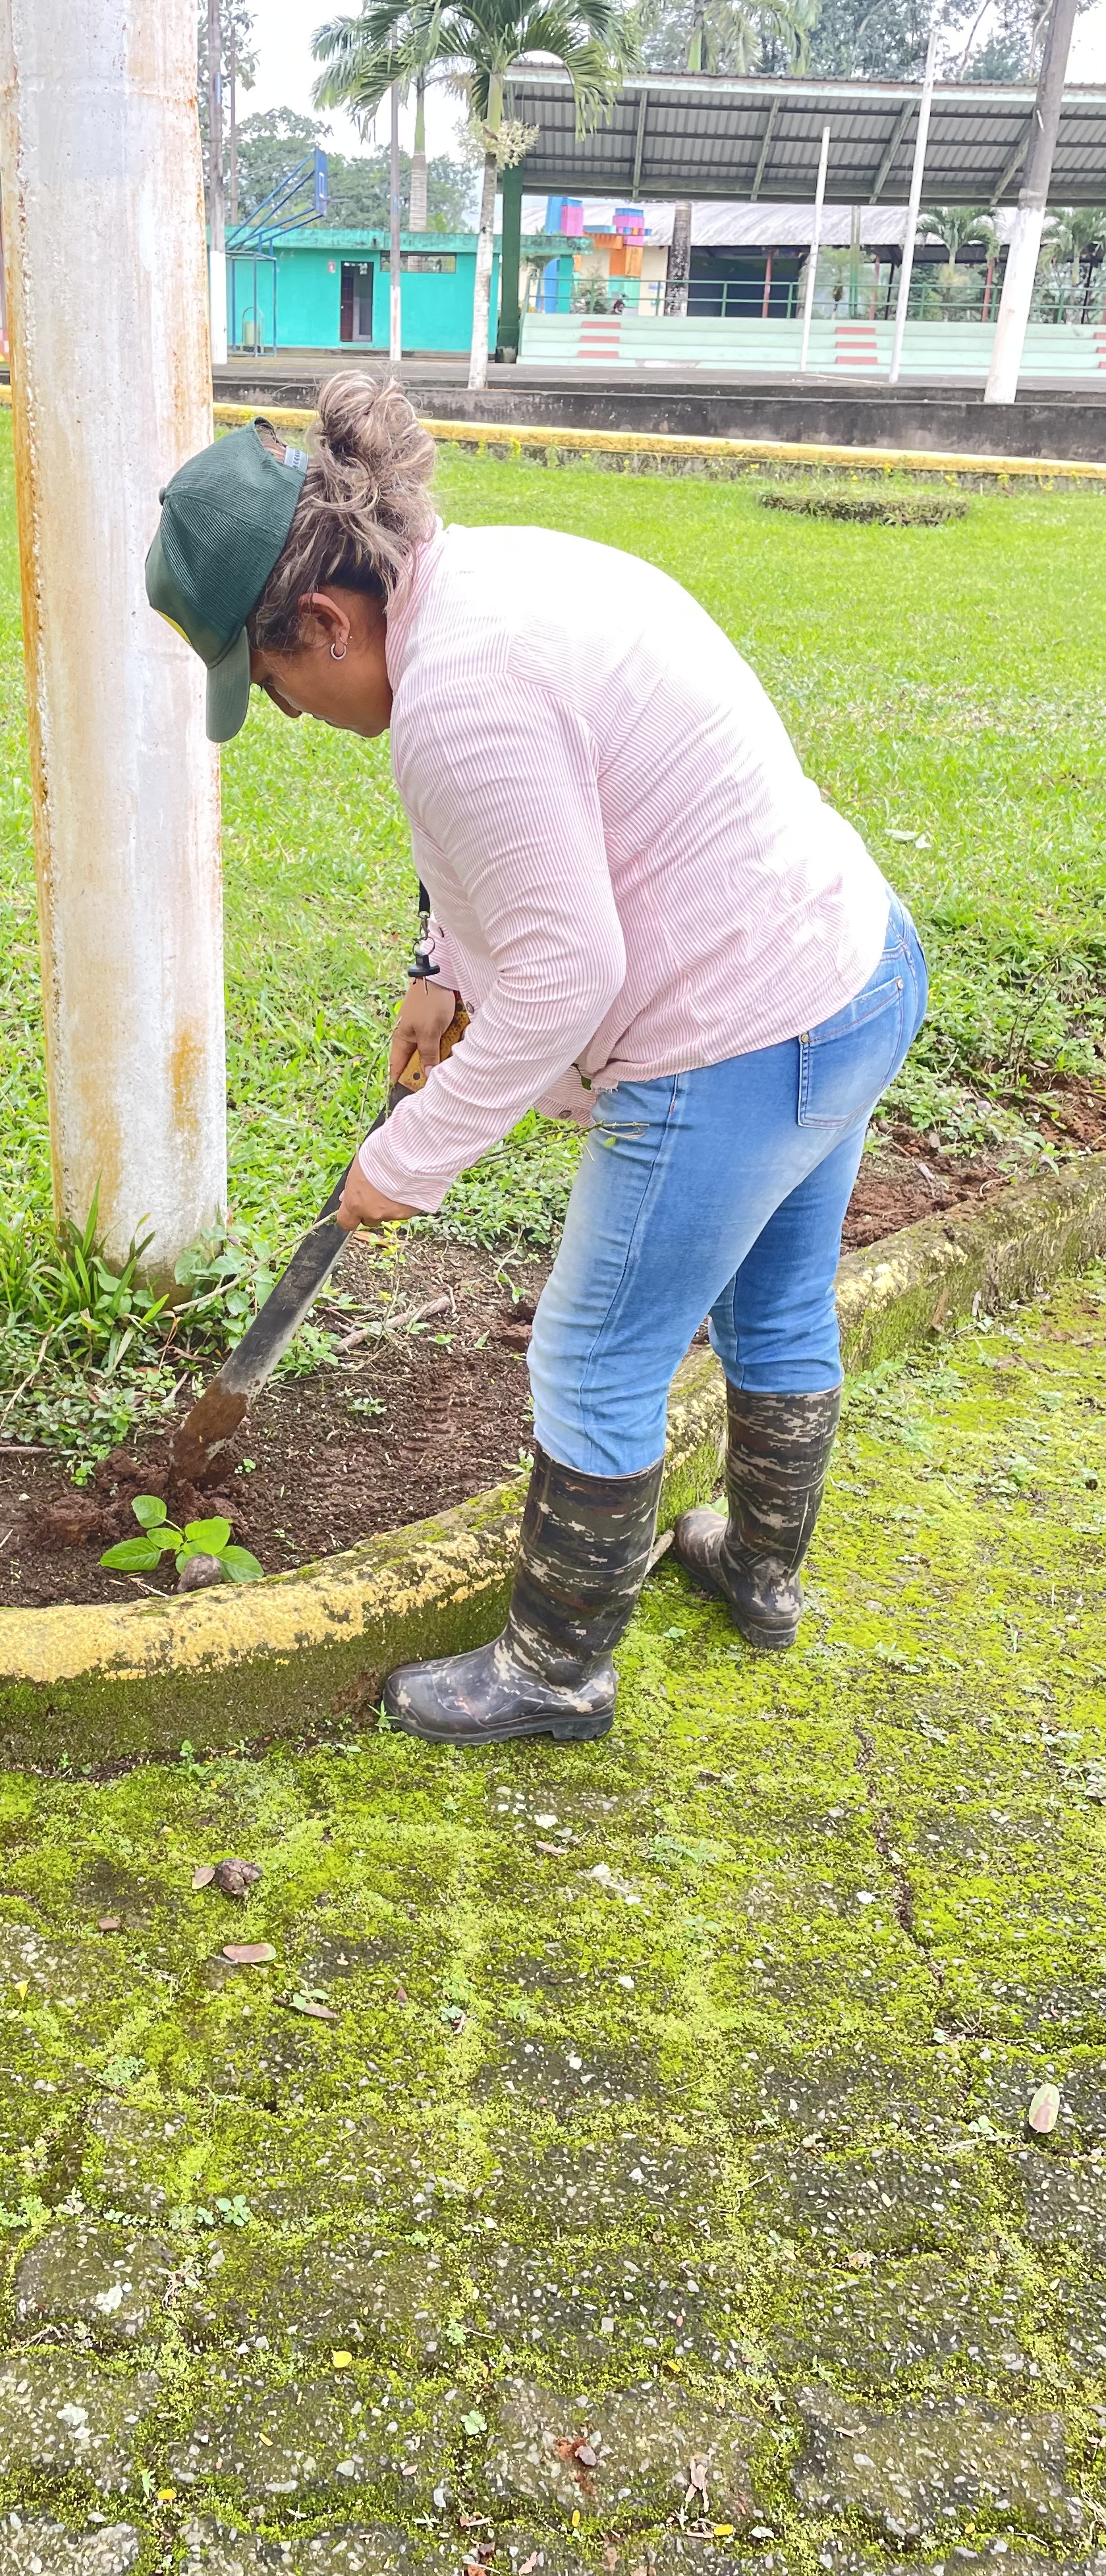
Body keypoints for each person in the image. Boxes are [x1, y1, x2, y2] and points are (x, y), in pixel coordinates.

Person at [146, 375, 927, 1748]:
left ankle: (556, 1670)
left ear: (325, 620)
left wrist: (411, 1158)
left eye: (272, 684)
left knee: (594, 1353)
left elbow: (572, 973)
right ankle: (757, 1570)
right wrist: (440, 965)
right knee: (778, 1306)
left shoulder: (458, 700)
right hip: (852, 971)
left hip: (735, 1038)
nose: (291, 713)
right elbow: (545, 828)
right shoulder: (489, 582)